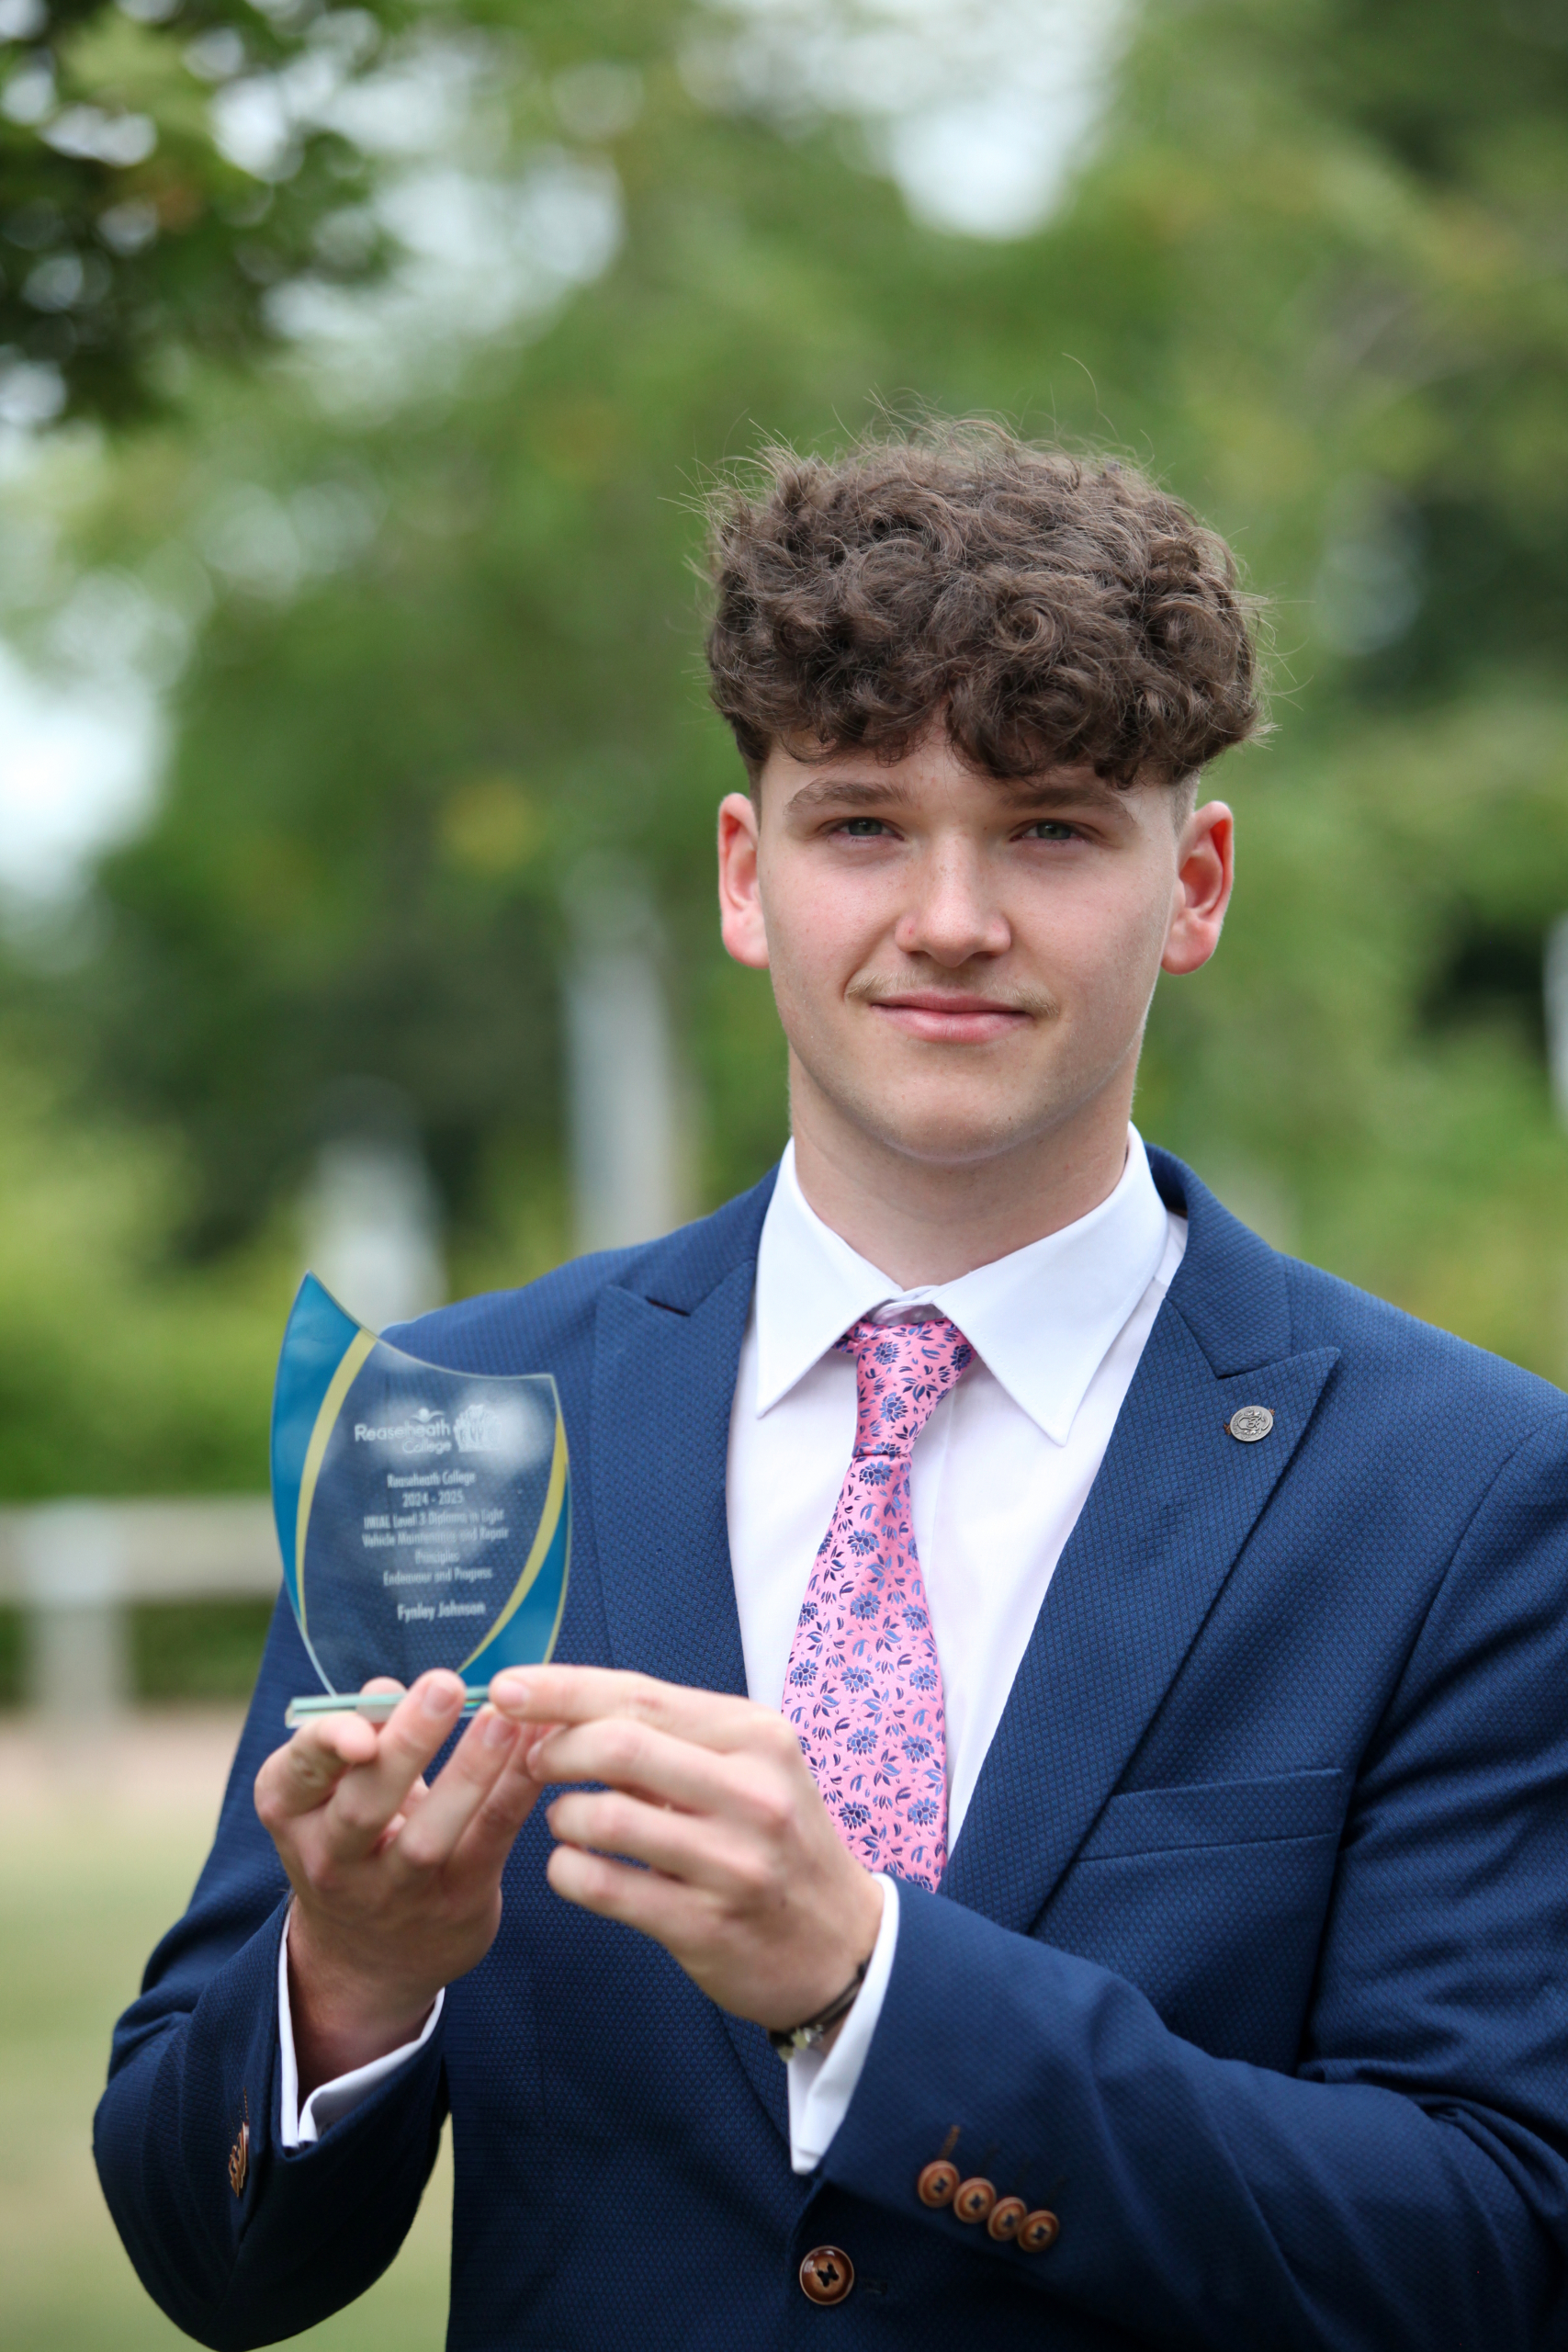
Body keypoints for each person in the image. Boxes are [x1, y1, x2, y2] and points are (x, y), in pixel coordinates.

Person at [96, 426, 1568, 2350]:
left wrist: (873, 1985)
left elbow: (1494, 2246)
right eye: (862, 823)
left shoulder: (1469, 1489)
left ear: (1194, 884)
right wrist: (349, 1978)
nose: (948, 917)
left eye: (1049, 829)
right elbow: (209, 2264)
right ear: (746, 873)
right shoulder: (454, 1412)